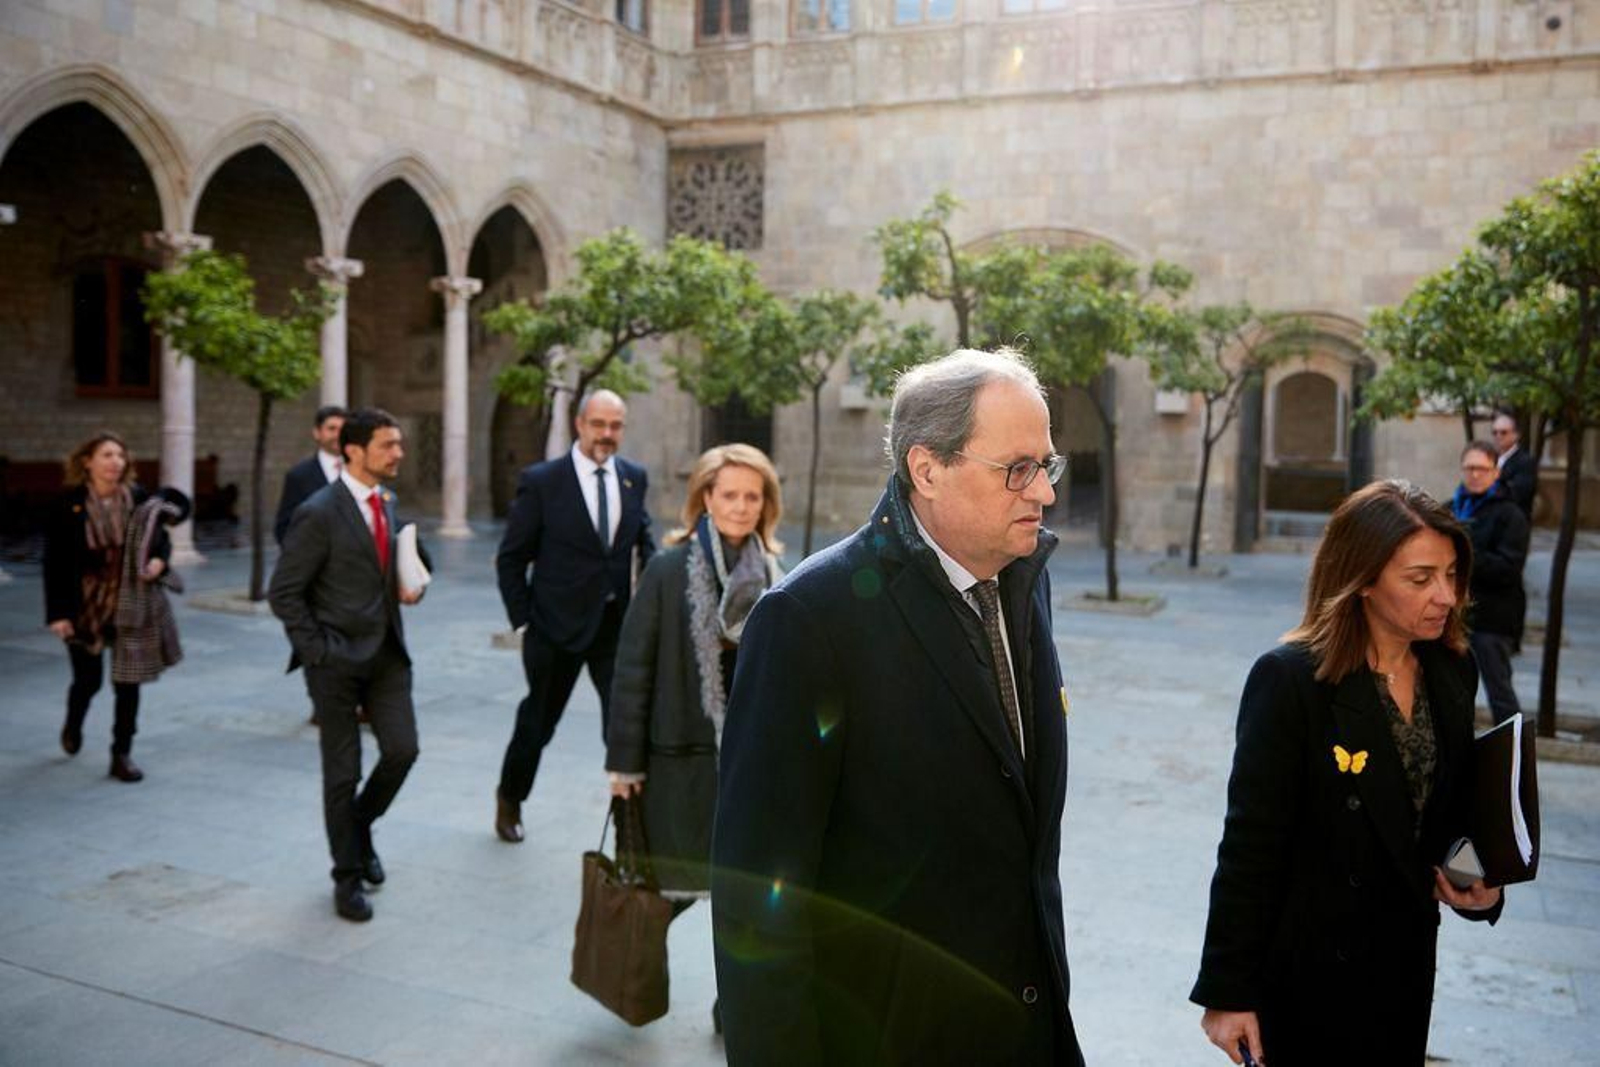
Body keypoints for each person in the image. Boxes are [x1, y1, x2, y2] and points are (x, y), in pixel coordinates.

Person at [711, 348, 1084, 1065]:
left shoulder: (1025, 579)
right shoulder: (809, 621)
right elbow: (760, 899)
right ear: (927, 468)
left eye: (1047, 465)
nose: (1044, 493)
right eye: (1018, 469)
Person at [1191, 479, 1504, 1065]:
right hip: (1308, 975)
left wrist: (1477, 883)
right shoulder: (1290, 681)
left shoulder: (1453, 669)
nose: (1445, 596)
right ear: (1362, 579)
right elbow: (1251, 844)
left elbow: (1445, 807)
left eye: (1451, 574)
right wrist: (1227, 991)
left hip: (1406, 964)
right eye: (1420, 579)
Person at [604, 444, 785, 1014]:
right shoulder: (667, 569)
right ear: (705, 498)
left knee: (744, 896)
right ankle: (632, 975)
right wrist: (623, 765)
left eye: (751, 497)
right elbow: (633, 668)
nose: (740, 506)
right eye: (728, 494)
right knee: (667, 891)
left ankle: (731, 1005)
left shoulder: (778, 572)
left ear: (766, 505)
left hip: (752, 764)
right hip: (680, 761)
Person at [269, 407, 426, 922]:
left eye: (398, 444)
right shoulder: (317, 511)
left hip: (386, 655)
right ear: (354, 450)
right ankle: (347, 875)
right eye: (387, 445)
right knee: (342, 772)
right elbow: (284, 592)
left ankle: (358, 828)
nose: (398, 453)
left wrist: (409, 583)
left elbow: (393, 564)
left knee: (403, 750)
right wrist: (318, 652)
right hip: (334, 662)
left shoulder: (388, 500)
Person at [493, 389, 655, 844]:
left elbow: (643, 542)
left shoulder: (633, 478)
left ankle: (629, 821)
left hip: (614, 629)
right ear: (580, 424)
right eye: (599, 424)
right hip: (553, 630)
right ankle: (510, 797)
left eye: (616, 426)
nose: (607, 434)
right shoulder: (543, 480)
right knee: (537, 725)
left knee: (623, 727)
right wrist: (524, 621)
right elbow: (511, 558)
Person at [43, 431, 173, 782]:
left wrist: (160, 561)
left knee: (128, 683)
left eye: (120, 455)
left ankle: (122, 754)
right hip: (84, 603)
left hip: (130, 600)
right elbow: (54, 562)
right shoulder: (68, 503)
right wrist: (57, 614)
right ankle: (73, 722)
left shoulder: (138, 499)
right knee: (88, 680)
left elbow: (161, 540)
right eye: (107, 455)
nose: (116, 461)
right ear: (87, 461)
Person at [1454, 441, 1530, 724]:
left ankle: (1517, 760)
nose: (1474, 474)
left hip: (1493, 620)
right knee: (1454, 694)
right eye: (1469, 468)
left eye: (1481, 468)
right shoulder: (1451, 509)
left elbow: (1508, 568)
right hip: (1453, 617)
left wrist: (1467, 552)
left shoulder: (1511, 515)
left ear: (1495, 472)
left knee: (1500, 695)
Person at [273, 404, 346, 546]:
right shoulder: (299, 476)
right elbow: (284, 528)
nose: (338, 435)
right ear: (317, 433)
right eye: (332, 429)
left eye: (342, 430)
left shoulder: (361, 471)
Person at [1491, 412, 1537, 520]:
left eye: (1503, 432)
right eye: (1494, 432)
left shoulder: (1525, 462)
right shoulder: (1491, 459)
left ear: (1516, 435)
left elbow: (1517, 495)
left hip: (1513, 525)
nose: (1498, 436)